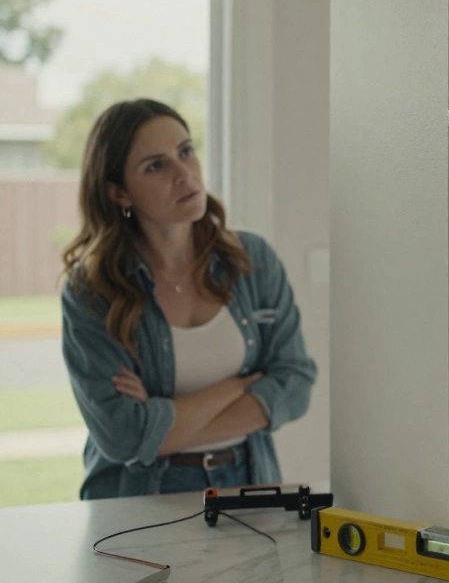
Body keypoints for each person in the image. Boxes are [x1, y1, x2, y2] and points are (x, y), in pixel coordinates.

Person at [61, 98, 317, 499]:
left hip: (248, 481)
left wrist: (162, 429)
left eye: (186, 151)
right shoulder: (92, 290)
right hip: (141, 496)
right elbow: (122, 437)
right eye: (156, 165)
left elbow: (296, 385)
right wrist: (236, 387)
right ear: (118, 193)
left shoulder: (253, 261)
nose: (184, 174)